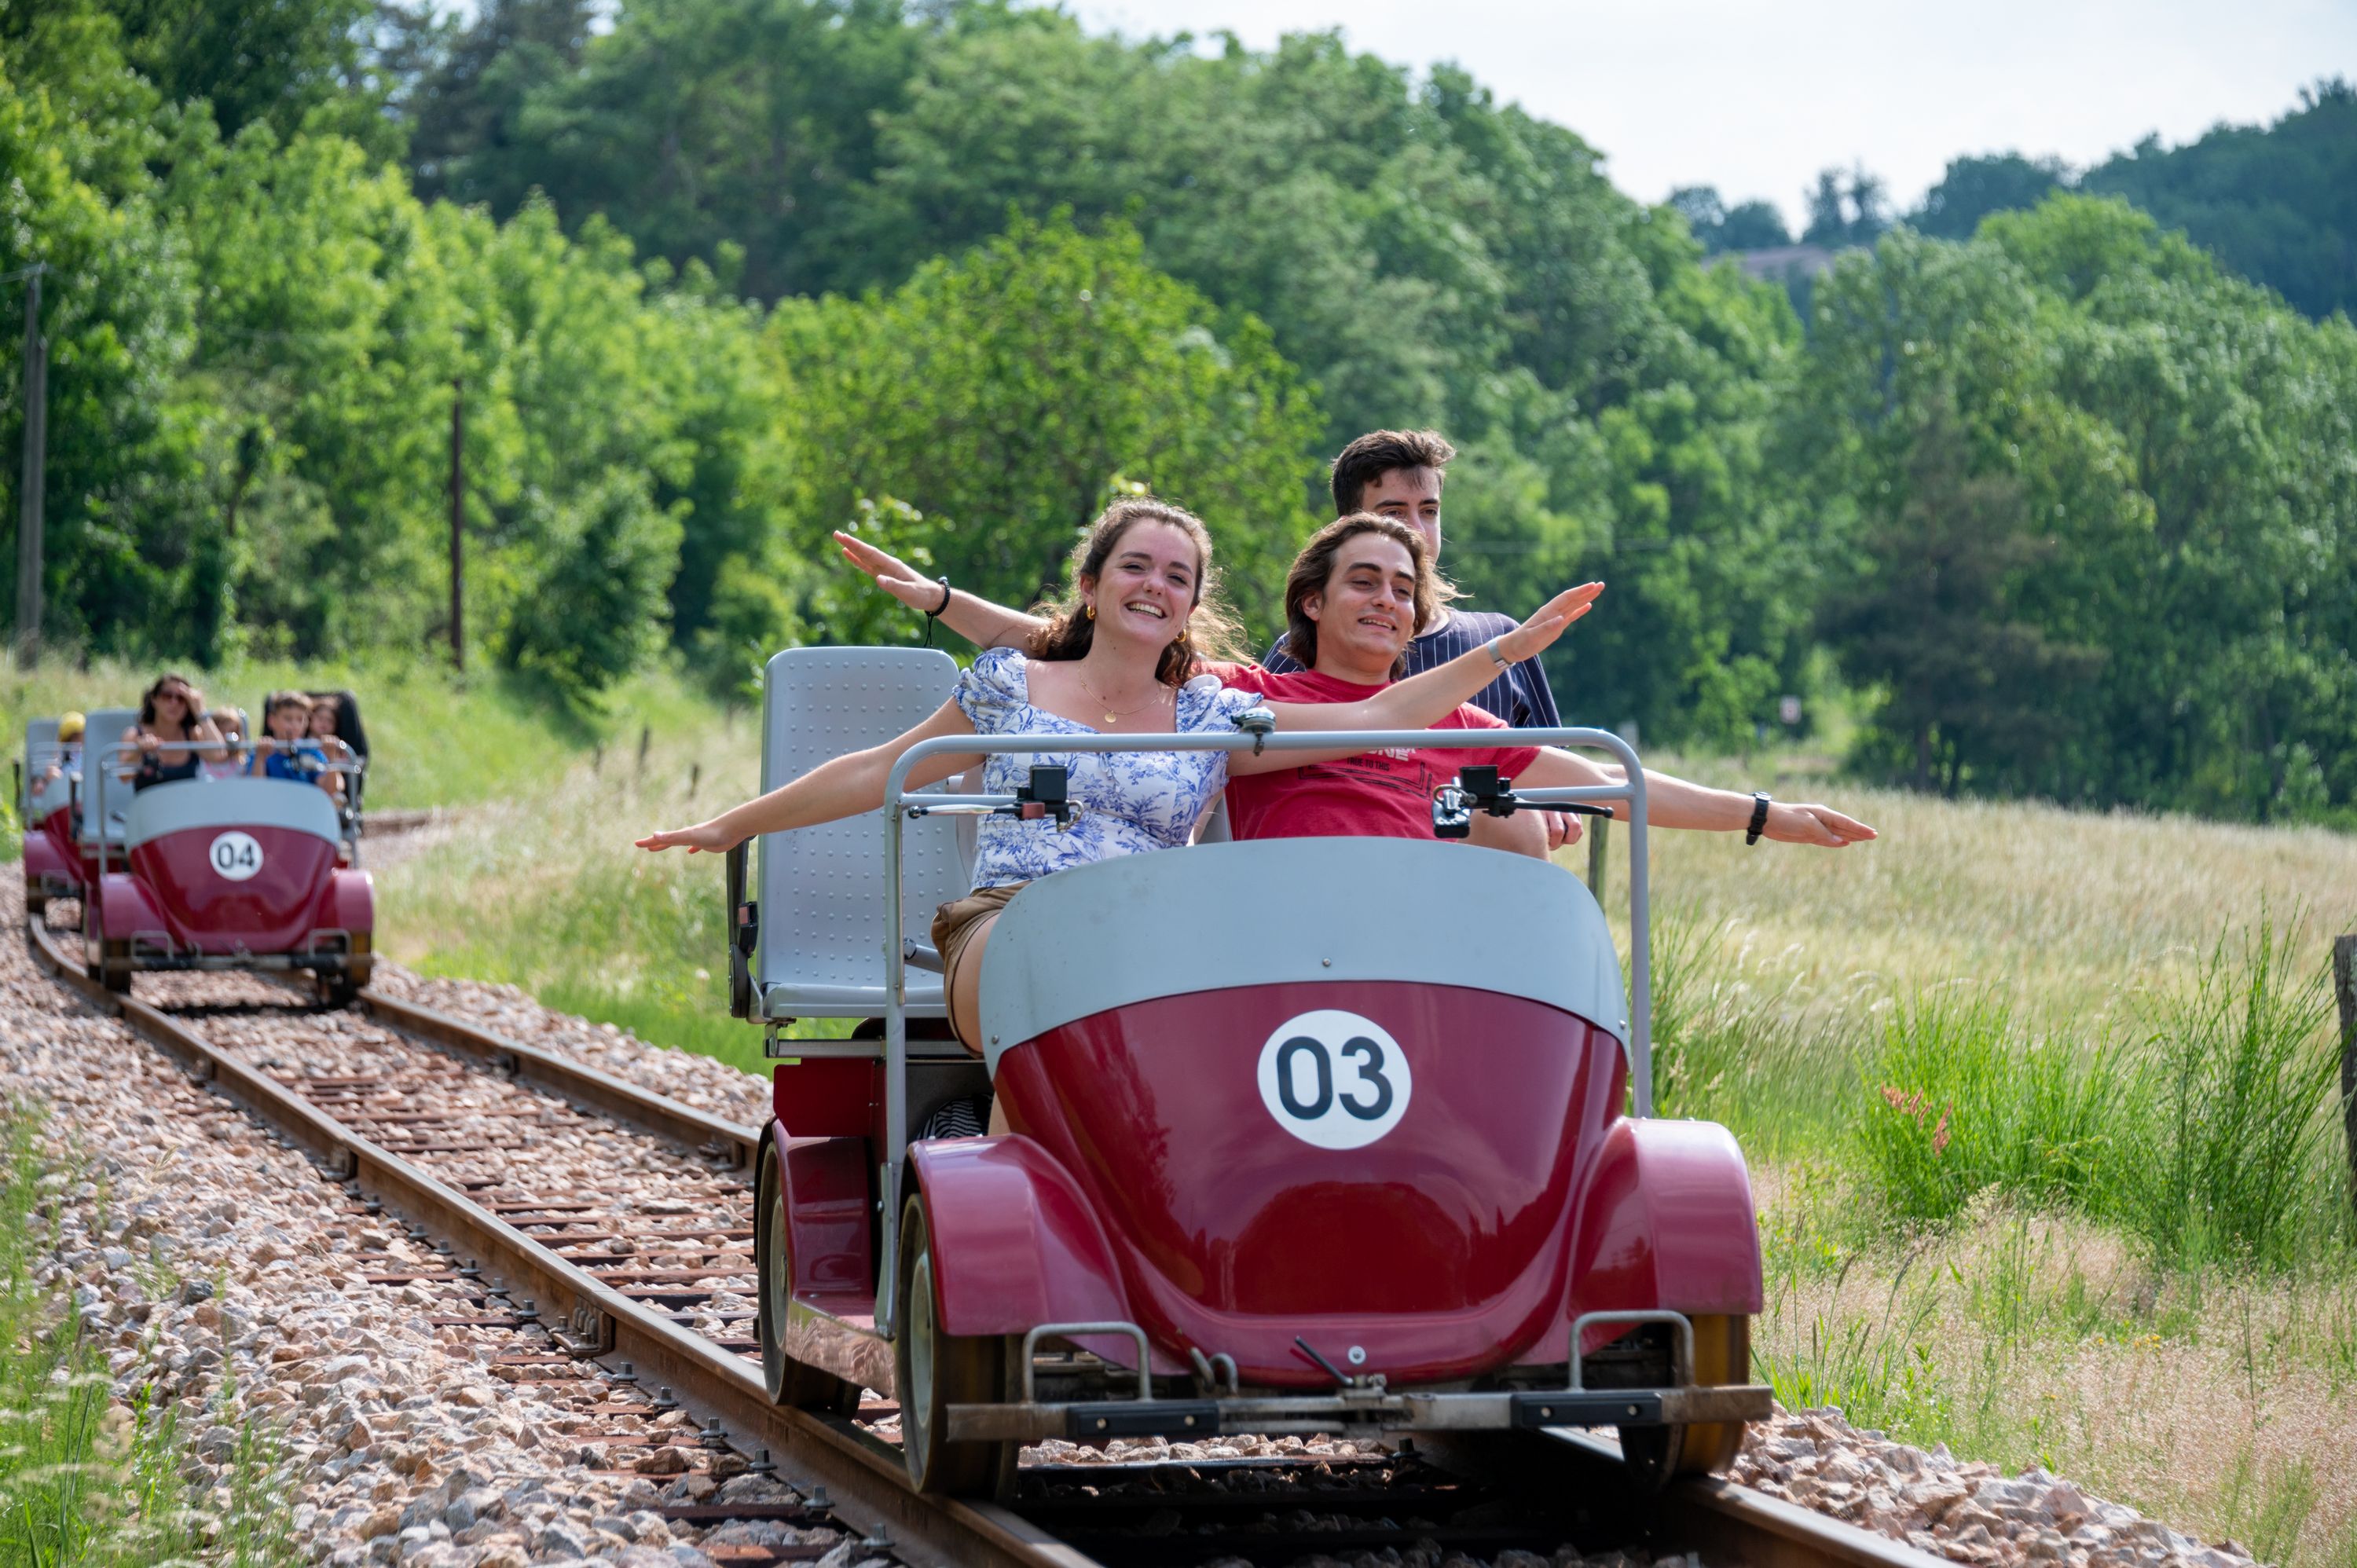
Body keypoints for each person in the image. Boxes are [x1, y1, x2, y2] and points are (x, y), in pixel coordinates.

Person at [640, 497, 1601, 1060]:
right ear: (1092, 584)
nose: (1155, 585)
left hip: (1146, 923)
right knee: (1046, 972)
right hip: (1011, 914)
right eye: (1135, 566)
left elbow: (1384, 716)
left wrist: (1508, 651)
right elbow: (879, 771)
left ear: (1189, 606)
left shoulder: (1210, 716)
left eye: (1176, 576)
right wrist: (735, 825)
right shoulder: (1011, 684)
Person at [1218, 514, 1876, 849]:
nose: (1385, 601)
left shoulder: (1460, 727)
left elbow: (1615, 785)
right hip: (1282, 949)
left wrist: (1765, 814)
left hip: (1414, 956)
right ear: (1312, 602)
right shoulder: (1248, 695)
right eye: (1363, 582)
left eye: (1401, 589)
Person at [122, 673, 227, 791]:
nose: (174, 702)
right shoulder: (135, 734)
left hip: (185, 807)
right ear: (154, 699)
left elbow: (219, 755)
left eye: (181, 698)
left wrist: (200, 710)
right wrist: (138, 751)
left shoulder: (193, 735)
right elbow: (124, 776)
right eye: (167, 696)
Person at [249, 691, 343, 800]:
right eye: (288, 719)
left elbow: (329, 791)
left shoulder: (313, 753)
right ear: (272, 721)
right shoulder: (261, 753)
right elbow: (256, 792)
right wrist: (260, 759)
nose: (295, 725)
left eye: (300, 719)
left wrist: (331, 758)